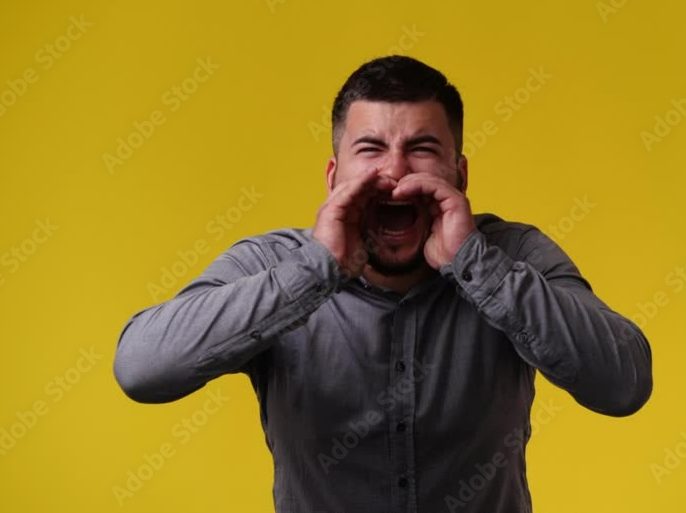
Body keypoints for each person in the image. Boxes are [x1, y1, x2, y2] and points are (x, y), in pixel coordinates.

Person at [113, 55, 653, 512]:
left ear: (460, 175)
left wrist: (478, 267)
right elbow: (141, 367)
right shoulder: (272, 264)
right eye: (370, 148)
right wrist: (315, 270)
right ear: (333, 177)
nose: (395, 172)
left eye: (423, 148)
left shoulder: (513, 256)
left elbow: (625, 383)